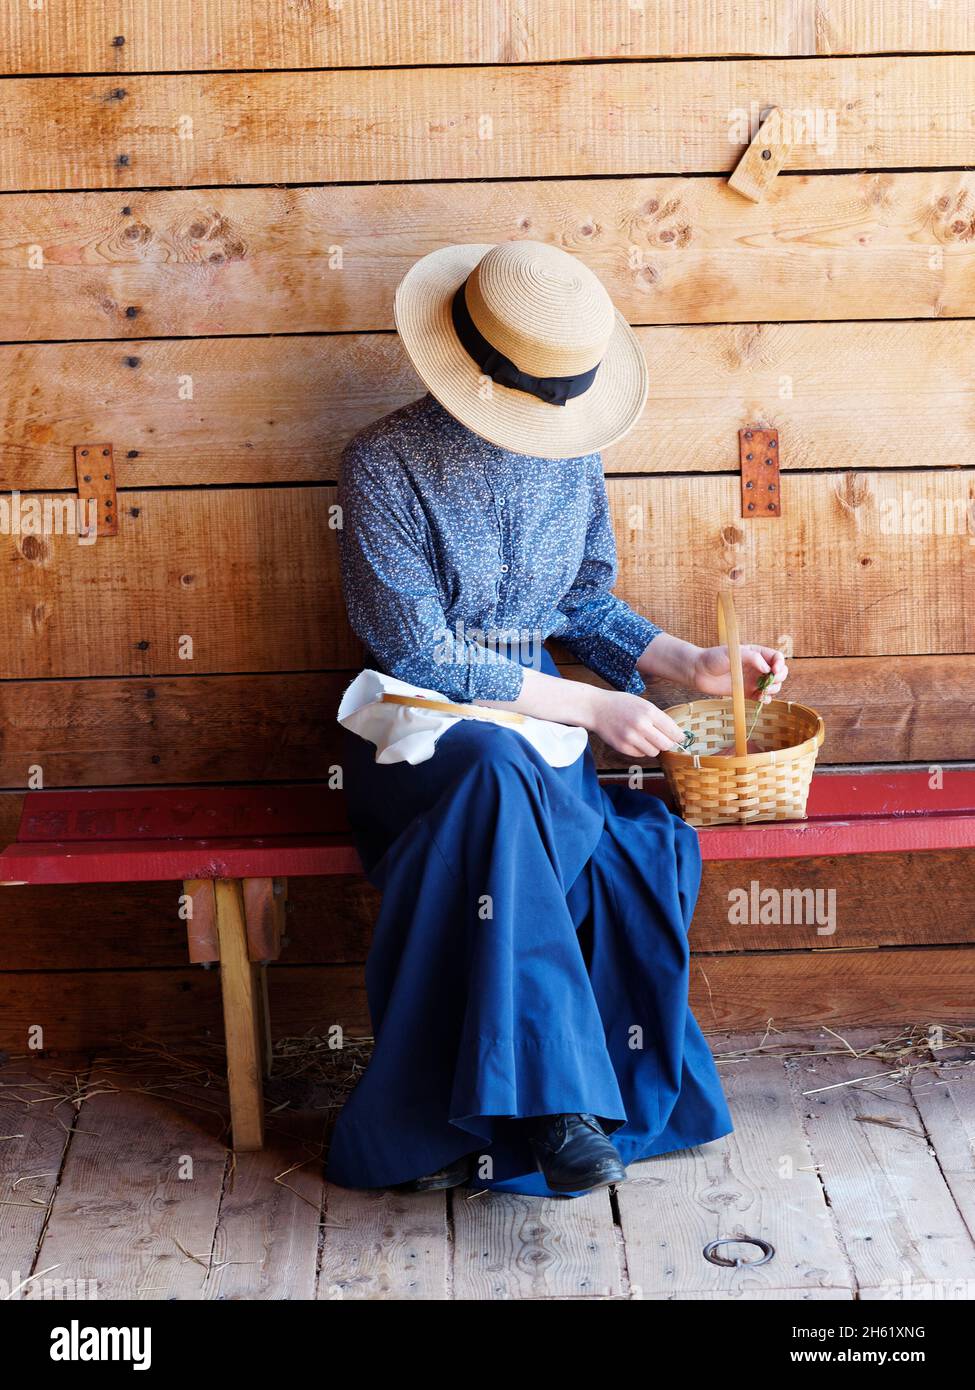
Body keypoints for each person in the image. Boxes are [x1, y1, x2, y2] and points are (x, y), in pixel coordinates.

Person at [326, 240, 787, 1198]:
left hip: (539, 731)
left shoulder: (570, 454)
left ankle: (525, 1103)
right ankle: (556, 1104)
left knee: (539, 801)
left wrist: (688, 664)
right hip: (416, 728)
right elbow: (419, 654)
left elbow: (585, 604)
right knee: (492, 774)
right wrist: (588, 705)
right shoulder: (379, 464)